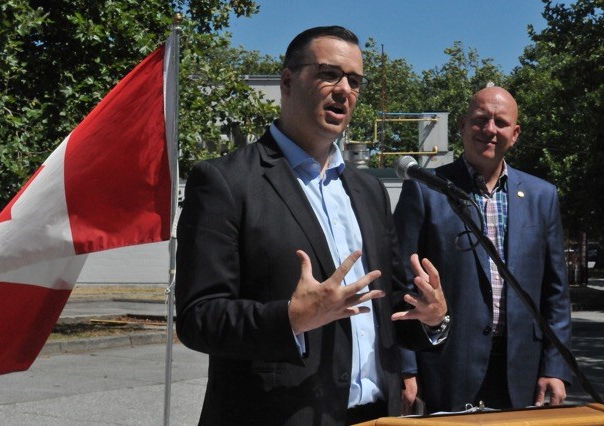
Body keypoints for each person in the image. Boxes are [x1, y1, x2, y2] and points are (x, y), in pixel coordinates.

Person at [175, 26, 449, 425]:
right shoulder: (225, 182)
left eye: (354, 81)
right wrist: (290, 318)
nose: (344, 90)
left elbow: (387, 306)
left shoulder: (369, 191)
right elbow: (199, 318)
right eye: (329, 74)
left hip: (376, 414)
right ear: (287, 81)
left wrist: (431, 317)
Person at [394, 86, 572, 414]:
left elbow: (555, 292)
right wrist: (406, 366)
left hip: (522, 368)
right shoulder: (425, 190)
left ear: (515, 134)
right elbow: (402, 283)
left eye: (501, 123)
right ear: (462, 125)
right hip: (444, 362)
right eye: (480, 120)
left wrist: (555, 367)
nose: (490, 129)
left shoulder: (541, 196)